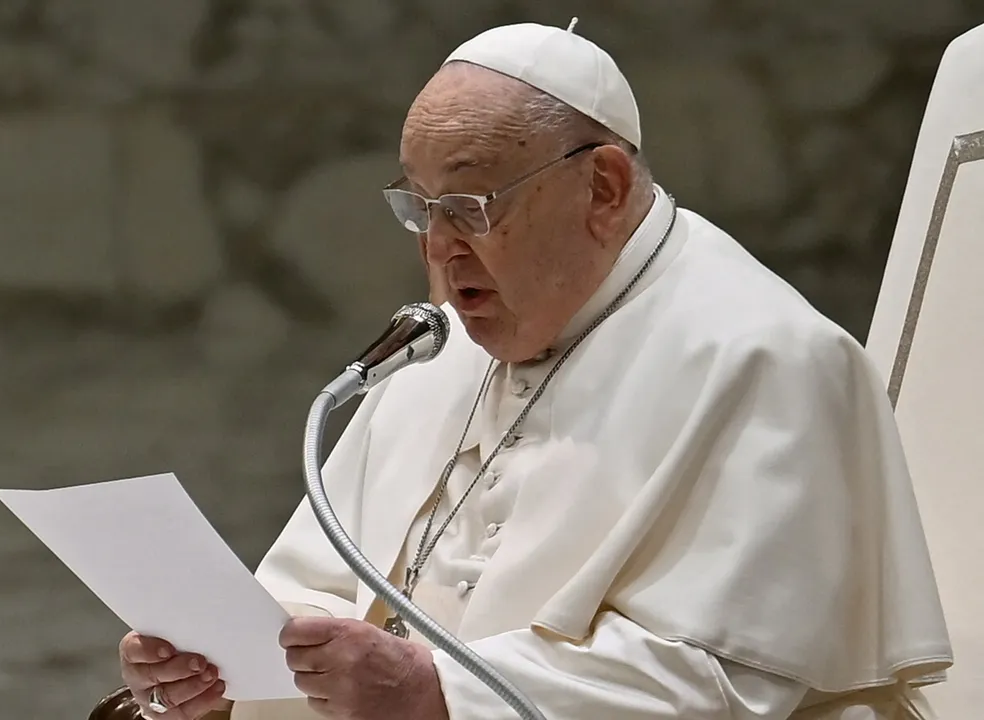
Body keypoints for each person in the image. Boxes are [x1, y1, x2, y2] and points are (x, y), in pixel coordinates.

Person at [117, 19, 953, 720]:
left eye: (472, 207)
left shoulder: (764, 359)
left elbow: (735, 679)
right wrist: (228, 664)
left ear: (604, 188)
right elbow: (326, 588)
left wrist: (441, 694)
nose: (441, 249)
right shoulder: (441, 345)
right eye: (419, 206)